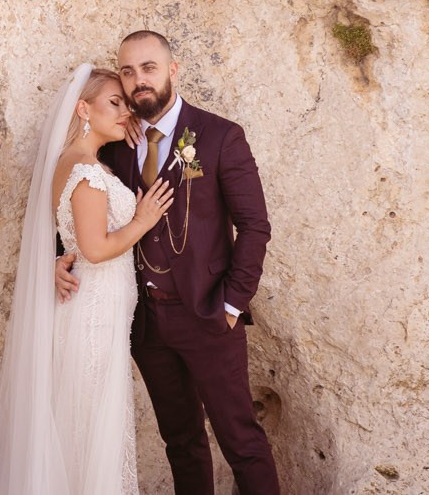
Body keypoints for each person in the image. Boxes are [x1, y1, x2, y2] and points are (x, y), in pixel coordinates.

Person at [55, 30, 280, 495]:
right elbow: (79, 211)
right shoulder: (115, 144)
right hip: (146, 324)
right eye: (128, 71)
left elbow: (255, 226)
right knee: (180, 442)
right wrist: (60, 258)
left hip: (209, 316)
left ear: (172, 71)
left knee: (241, 441)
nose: (138, 80)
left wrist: (232, 305)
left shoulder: (220, 136)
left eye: (149, 68)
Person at [0, 63, 175, 495]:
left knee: (83, 421)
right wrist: (142, 220)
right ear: (83, 109)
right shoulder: (86, 172)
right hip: (94, 315)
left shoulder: (80, 163)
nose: (126, 113)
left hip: (97, 311)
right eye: (115, 103)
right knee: (90, 424)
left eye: (127, 106)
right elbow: (94, 249)